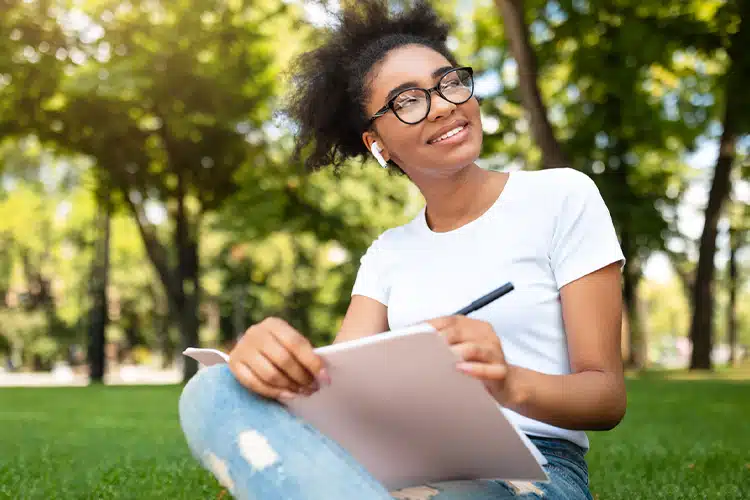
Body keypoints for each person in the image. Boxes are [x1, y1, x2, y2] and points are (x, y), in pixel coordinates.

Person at [178, 1, 627, 499]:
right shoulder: (387, 253)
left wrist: (509, 383)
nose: (441, 105)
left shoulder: (562, 196)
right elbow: (333, 393)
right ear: (378, 144)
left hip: (535, 472)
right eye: (408, 101)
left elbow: (606, 397)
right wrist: (261, 362)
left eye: (449, 82)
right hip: (403, 466)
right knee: (212, 390)